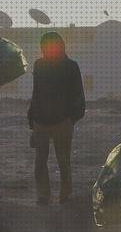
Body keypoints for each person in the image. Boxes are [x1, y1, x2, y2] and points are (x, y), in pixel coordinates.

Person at [28, 31, 87, 205]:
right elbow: (36, 93)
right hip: (41, 120)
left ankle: (64, 194)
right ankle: (44, 195)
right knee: (41, 161)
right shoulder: (39, 65)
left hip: (62, 121)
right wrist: (32, 120)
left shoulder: (70, 66)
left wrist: (72, 118)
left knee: (62, 161)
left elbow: (78, 93)